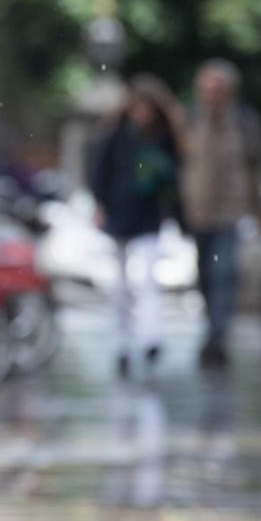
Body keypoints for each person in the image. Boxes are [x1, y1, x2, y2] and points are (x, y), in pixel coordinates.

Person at [90, 74, 185, 377]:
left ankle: (149, 338)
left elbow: (175, 178)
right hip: (119, 215)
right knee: (119, 286)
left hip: (148, 217)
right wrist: (101, 204)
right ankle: (121, 345)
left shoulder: (163, 138)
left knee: (147, 281)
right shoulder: (116, 135)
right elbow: (99, 171)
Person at [180, 59, 261, 369]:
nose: (211, 95)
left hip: (230, 212)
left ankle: (217, 338)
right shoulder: (190, 120)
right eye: (206, 89)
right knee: (204, 275)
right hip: (197, 211)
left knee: (223, 274)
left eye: (216, 89)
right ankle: (212, 328)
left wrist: (259, 211)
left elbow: (256, 168)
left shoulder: (244, 121)